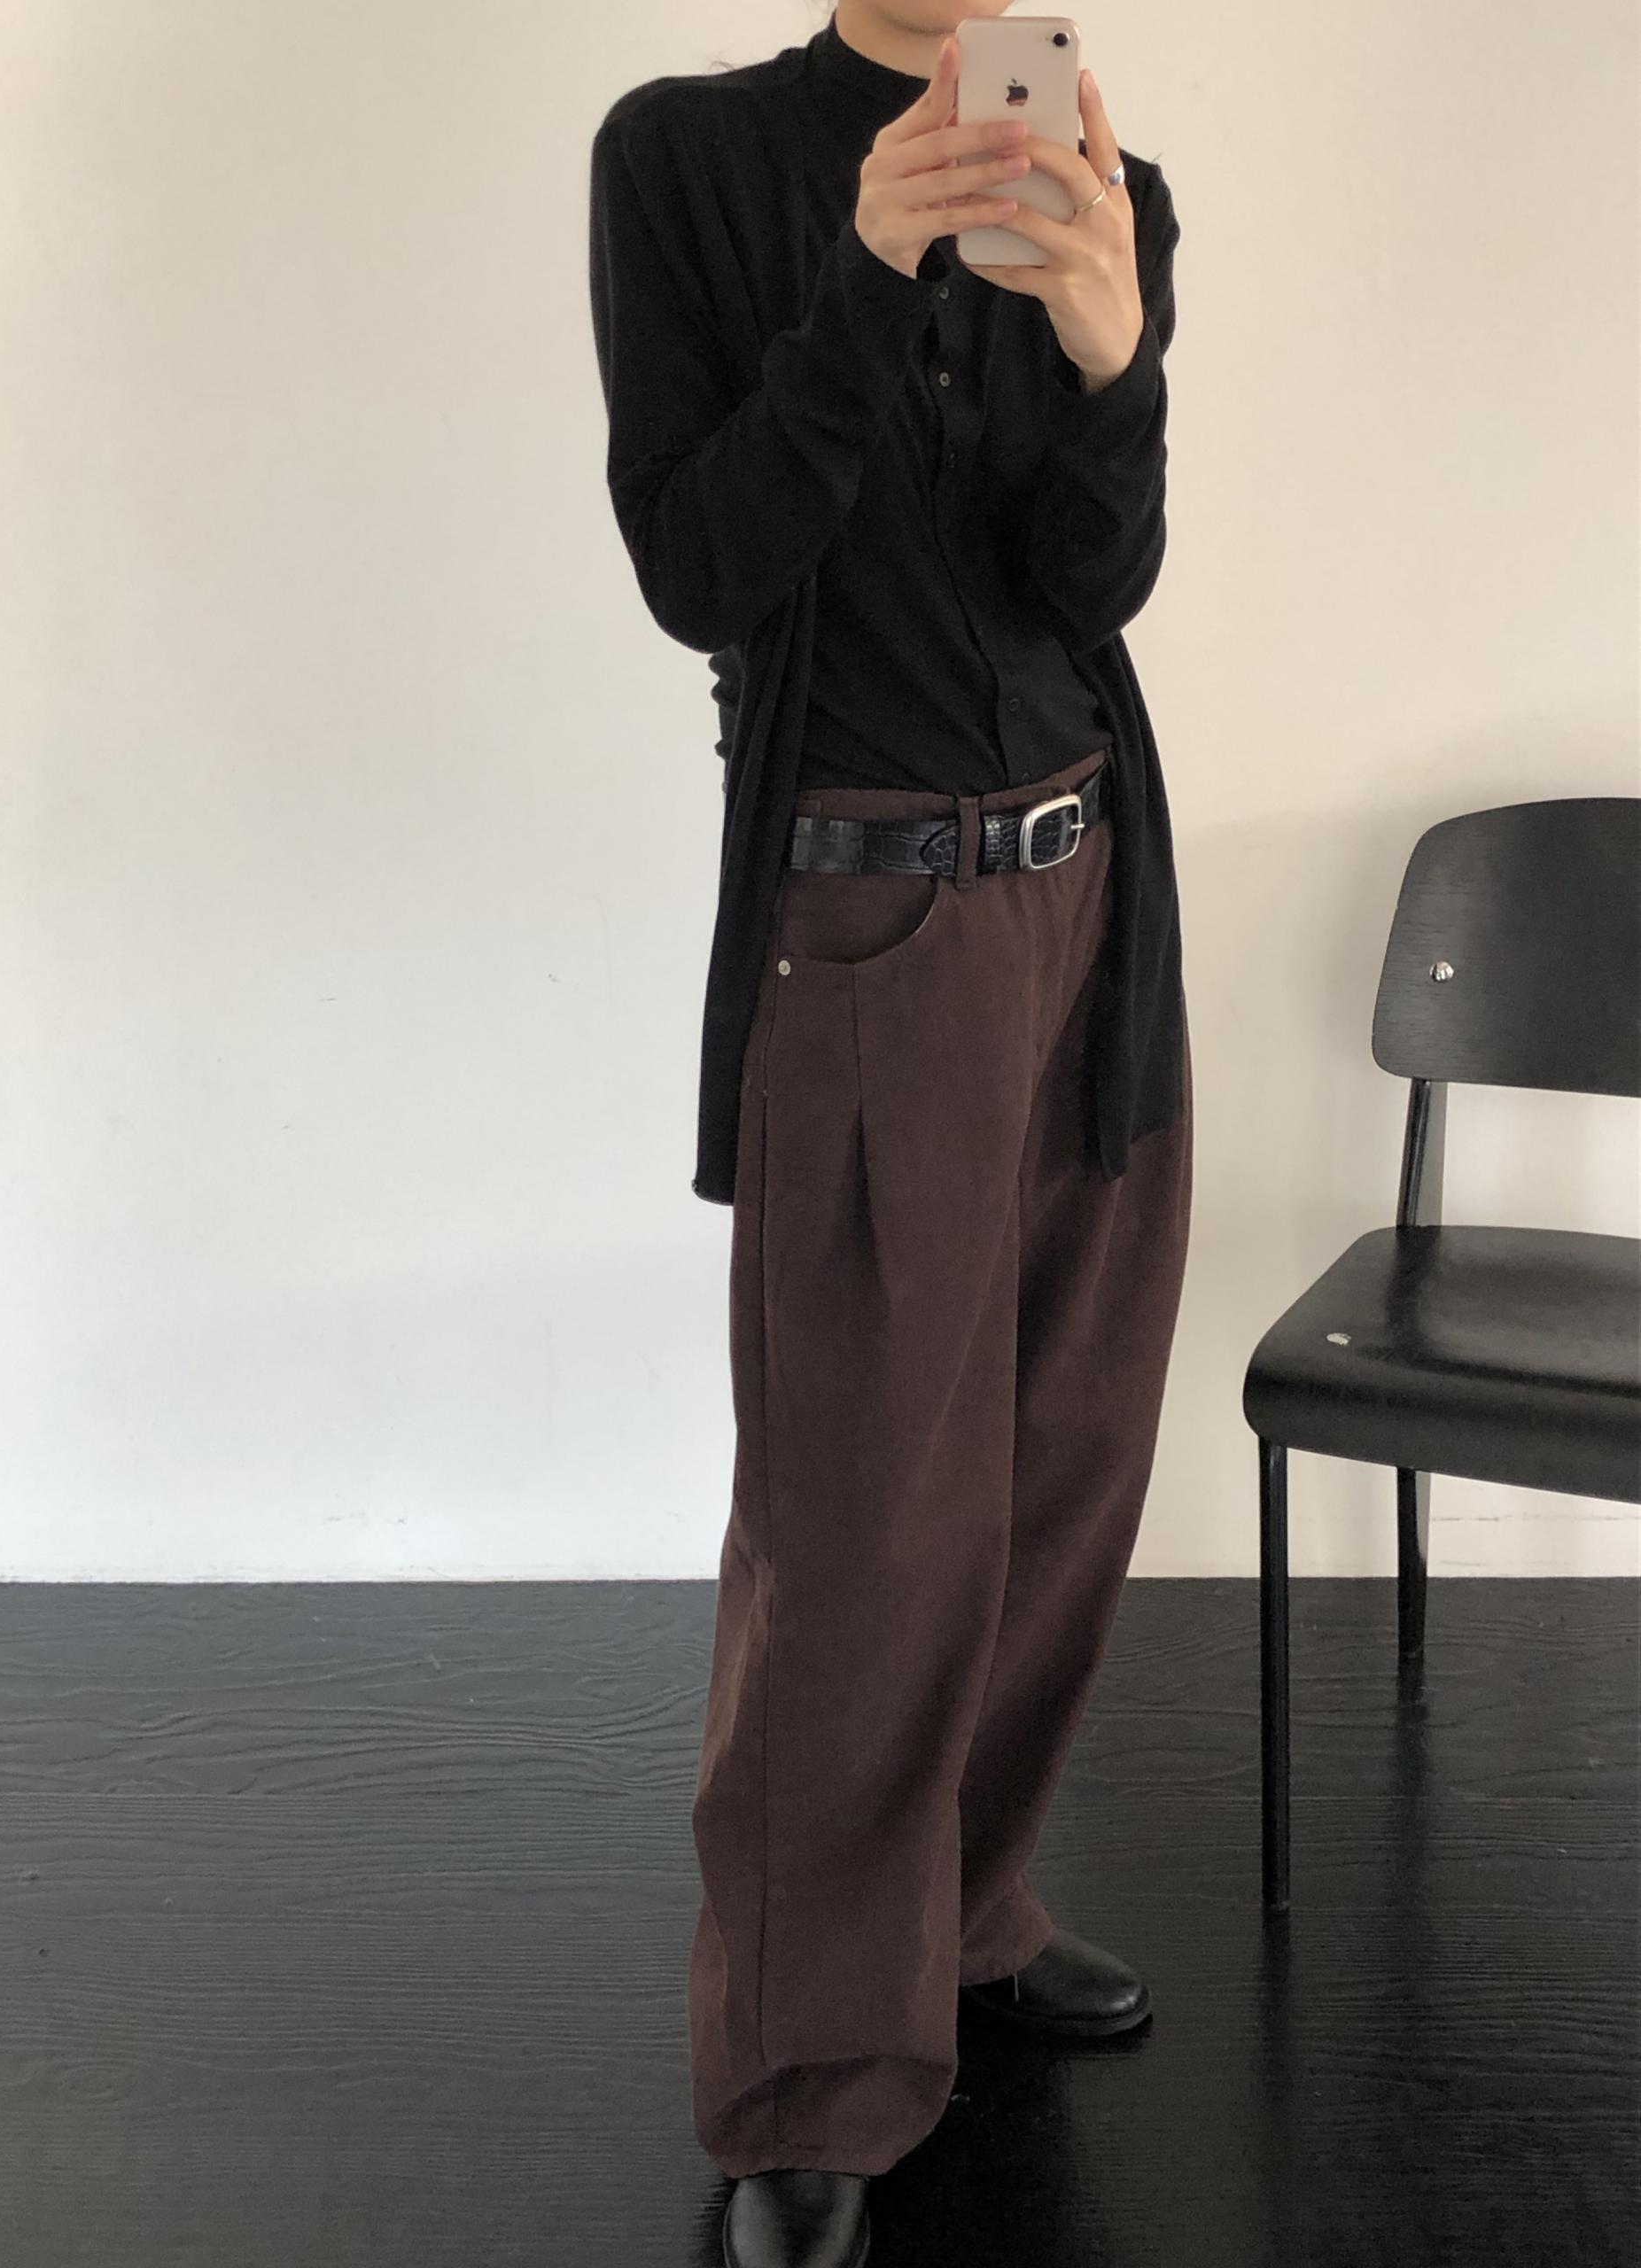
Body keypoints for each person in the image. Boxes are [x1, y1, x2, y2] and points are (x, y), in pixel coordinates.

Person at [587, 6, 1194, 2263]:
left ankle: (964, 1911)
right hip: (866, 917)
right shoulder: (686, 159)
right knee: (858, 1520)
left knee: (1062, 1464)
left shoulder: (1109, 185)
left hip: (1093, 890)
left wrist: (1114, 356)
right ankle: (808, 2066)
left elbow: (1087, 583)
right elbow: (699, 564)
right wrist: (859, 279)